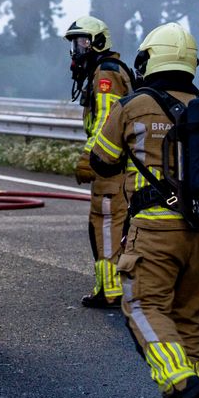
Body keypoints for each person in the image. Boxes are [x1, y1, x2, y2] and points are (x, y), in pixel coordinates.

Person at [85, 24, 199, 398]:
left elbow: (102, 160)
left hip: (155, 230)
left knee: (143, 305)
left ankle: (181, 383)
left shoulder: (133, 106)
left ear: (149, 59)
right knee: (186, 318)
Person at [63, 16, 133, 308]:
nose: (77, 50)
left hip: (110, 165)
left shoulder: (105, 72)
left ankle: (111, 290)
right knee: (109, 222)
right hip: (117, 162)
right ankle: (110, 286)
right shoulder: (105, 70)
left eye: (82, 42)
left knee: (106, 222)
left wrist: (89, 157)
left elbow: (106, 121)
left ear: (99, 42)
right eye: (74, 44)